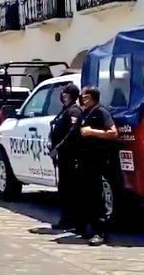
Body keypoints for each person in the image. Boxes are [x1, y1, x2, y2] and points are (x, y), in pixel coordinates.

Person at [73, 86, 119, 246]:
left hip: (98, 161)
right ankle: (89, 228)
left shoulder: (101, 112)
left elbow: (113, 133)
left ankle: (100, 232)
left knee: (97, 197)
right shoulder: (86, 112)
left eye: (84, 96)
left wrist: (92, 132)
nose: (82, 98)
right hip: (85, 161)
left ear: (91, 97)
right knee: (87, 197)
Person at [48, 83, 83, 231]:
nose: (63, 96)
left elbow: (72, 133)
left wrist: (58, 148)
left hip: (70, 155)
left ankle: (72, 220)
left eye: (66, 94)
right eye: (63, 94)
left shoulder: (74, 111)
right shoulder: (65, 110)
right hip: (62, 156)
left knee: (70, 190)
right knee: (64, 190)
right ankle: (66, 218)